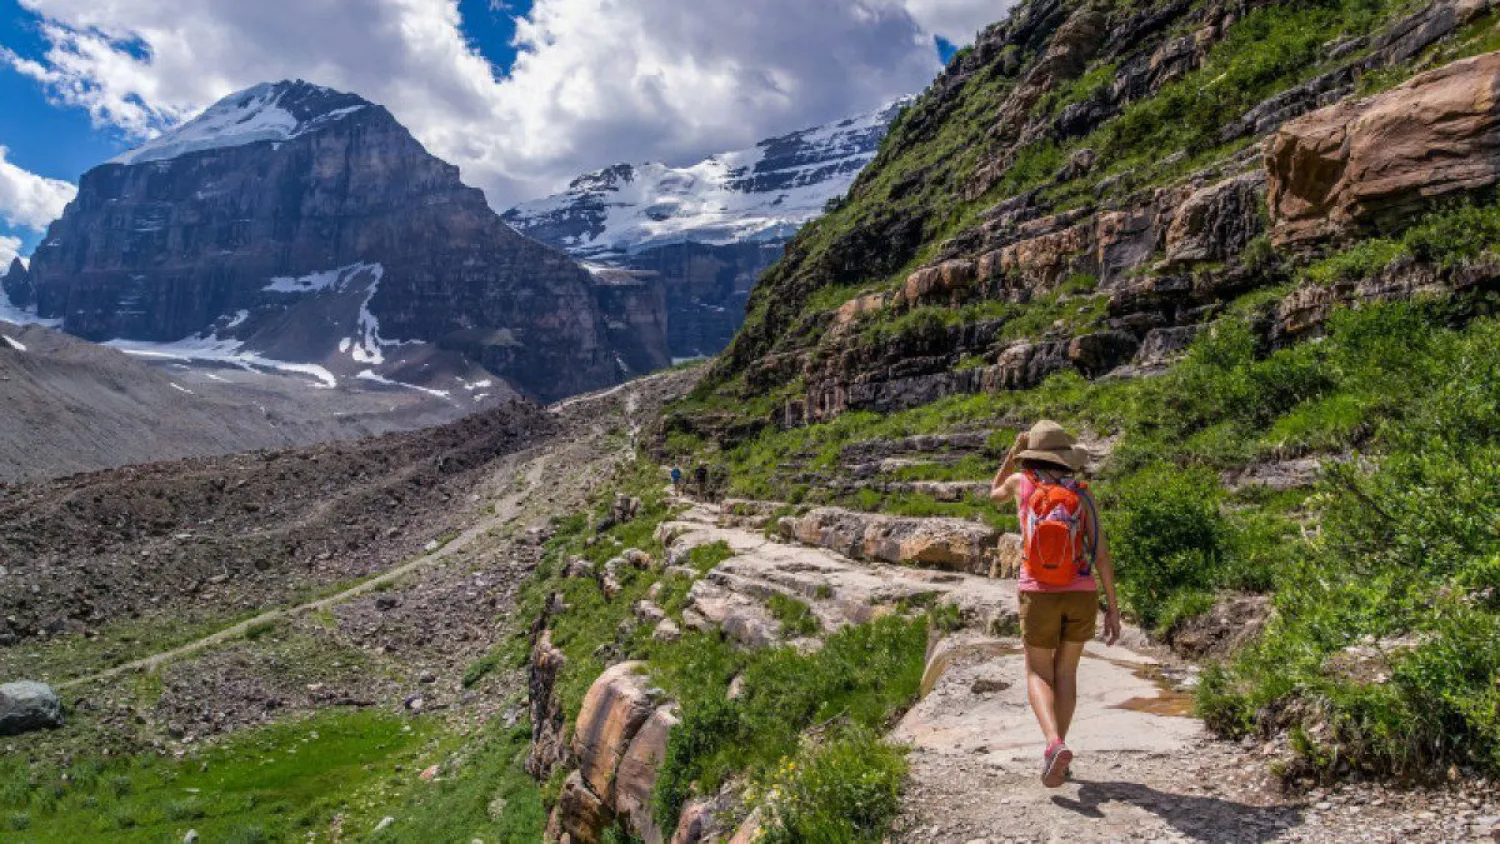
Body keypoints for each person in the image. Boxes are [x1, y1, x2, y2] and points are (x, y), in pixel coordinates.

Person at [990, 419, 1121, 789]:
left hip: (1038, 592)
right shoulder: (1081, 492)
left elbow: (993, 492)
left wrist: (1011, 456)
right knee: (1066, 674)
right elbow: (1103, 554)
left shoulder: (1021, 484)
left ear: (1031, 454)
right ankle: (1057, 750)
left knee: (1037, 672)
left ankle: (1053, 745)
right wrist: (1112, 607)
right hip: (1081, 592)